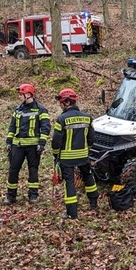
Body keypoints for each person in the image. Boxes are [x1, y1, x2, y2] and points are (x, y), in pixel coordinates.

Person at [51, 88, 99, 220]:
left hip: (67, 158)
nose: (60, 105)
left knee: (70, 183)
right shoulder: (87, 118)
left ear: (66, 102)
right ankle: (94, 202)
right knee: (88, 177)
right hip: (84, 156)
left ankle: (72, 213)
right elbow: (91, 138)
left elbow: (56, 141)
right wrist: (87, 150)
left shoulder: (62, 119)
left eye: (61, 102)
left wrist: (56, 154)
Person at [4, 83, 51, 204]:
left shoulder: (41, 110)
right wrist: (9, 141)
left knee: (33, 170)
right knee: (13, 170)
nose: (19, 96)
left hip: (33, 147)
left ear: (29, 94)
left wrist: (42, 143)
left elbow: (45, 128)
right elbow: (12, 126)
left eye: (21, 94)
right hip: (17, 146)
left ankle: (33, 195)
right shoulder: (18, 109)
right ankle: (10, 196)